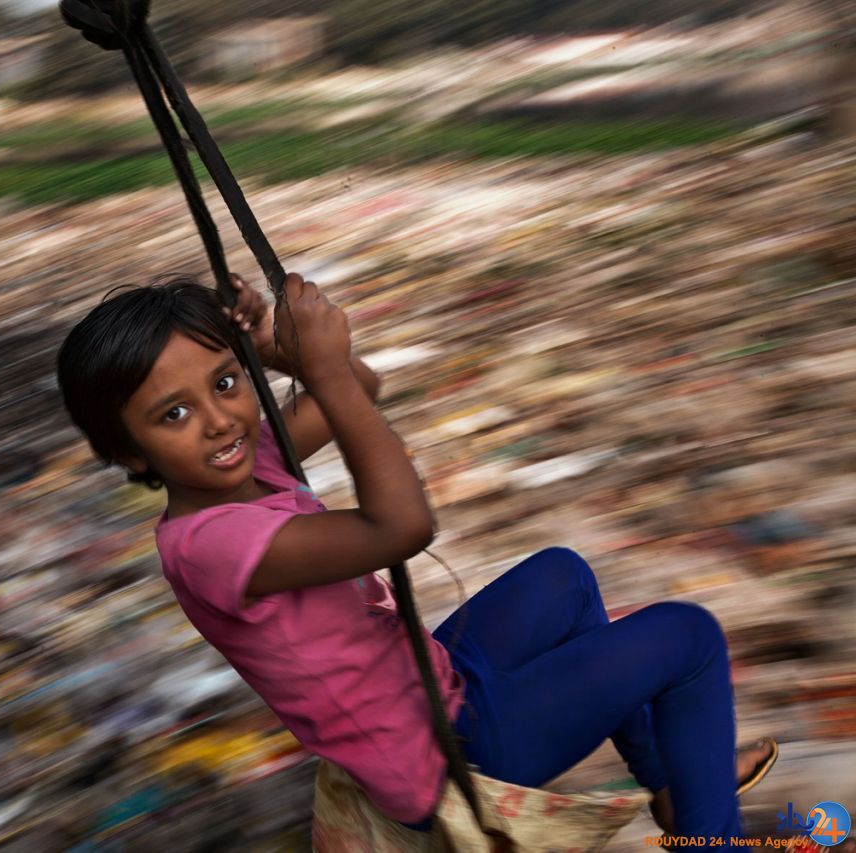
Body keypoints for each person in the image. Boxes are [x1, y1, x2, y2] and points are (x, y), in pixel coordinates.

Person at [55, 271, 777, 839]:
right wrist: (326, 371)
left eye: (225, 381)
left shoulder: (243, 470)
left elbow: (360, 388)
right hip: (446, 758)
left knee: (563, 577)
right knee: (688, 637)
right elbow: (401, 528)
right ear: (126, 450)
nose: (217, 420)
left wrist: (282, 352)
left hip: (435, 683)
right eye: (173, 413)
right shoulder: (210, 544)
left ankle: (673, 786)